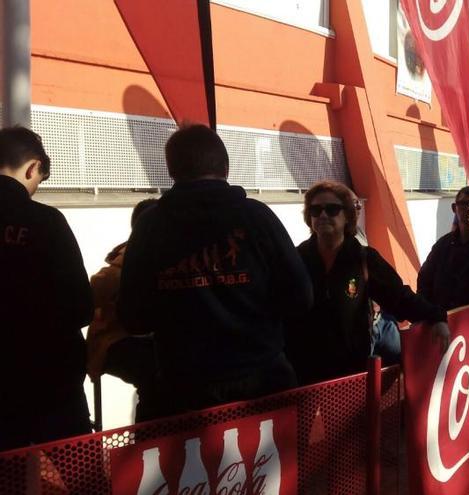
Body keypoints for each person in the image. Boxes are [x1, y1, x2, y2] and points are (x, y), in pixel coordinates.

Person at [119, 125, 313, 418]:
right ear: (226, 167)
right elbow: (301, 297)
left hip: (181, 392)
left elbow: (133, 318)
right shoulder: (257, 217)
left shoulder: (149, 226)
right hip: (262, 384)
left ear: (172, 171)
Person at [291, 181, 449, 384]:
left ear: (347, 215)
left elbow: (399, 298)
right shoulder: (296, 259)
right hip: (305, 370)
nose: (322, 215)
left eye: (332, 209)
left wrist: (436, 317)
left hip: (349, 370)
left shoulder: (364, 258)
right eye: (315, 210)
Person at [0, 126, 93, 451]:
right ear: (32, 167)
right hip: (52, 387)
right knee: (82, 475)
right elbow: (81, 306)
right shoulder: (47, 222)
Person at [87, 198, 161, 421]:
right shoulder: (124, 264)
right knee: (157, 377)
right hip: (114, 343)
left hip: (137, 341)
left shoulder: (153, 255)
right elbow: (91, 294)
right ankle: (150, 442)